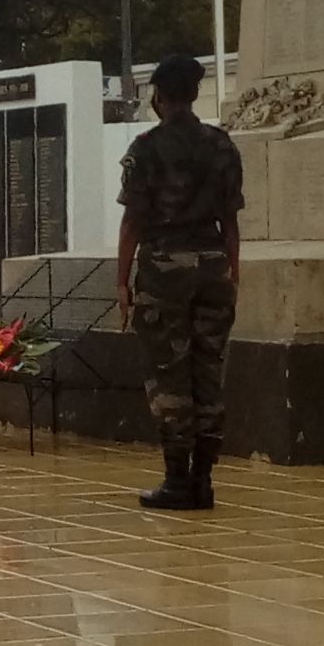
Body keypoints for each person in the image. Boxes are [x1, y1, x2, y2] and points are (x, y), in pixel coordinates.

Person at [114, 53, 243, 511]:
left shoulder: (146, 148)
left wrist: (123, 282)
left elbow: (133, 221)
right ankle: (204, 480)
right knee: (209, 373)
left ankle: (176, 479)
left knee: (169, 374)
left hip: (164, 267)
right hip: (212, 265)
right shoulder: (222, 146)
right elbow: (230, 220)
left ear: (159, 96)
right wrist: (231, 269)